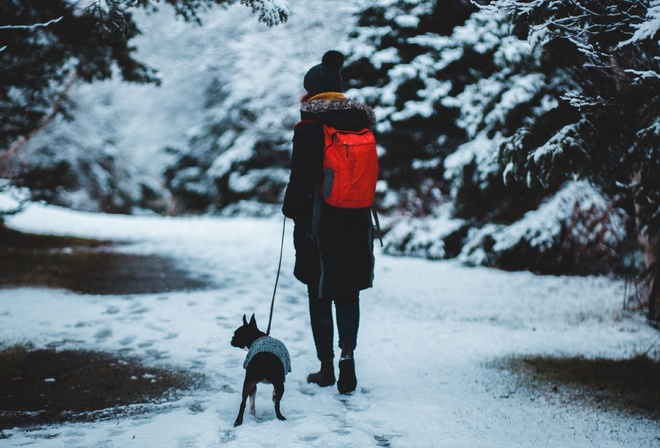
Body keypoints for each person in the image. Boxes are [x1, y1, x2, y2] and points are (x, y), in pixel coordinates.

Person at [282, 50, 377, 395]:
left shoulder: (310, 127)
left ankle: (326, 368)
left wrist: (290, 208)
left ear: (311, 93)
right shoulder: (361, 124)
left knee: (319, 293)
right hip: (357, 221)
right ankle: (347, 354)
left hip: (319, 224)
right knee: (348, 291)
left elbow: (302, 179)